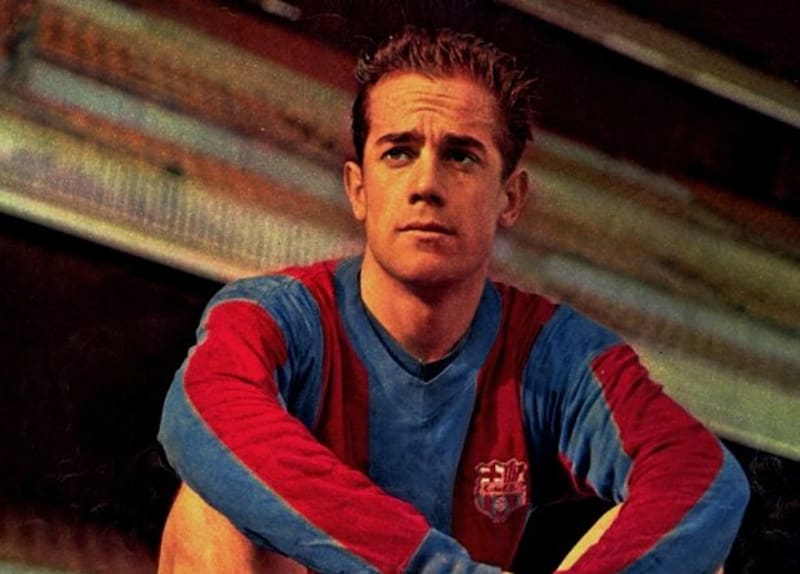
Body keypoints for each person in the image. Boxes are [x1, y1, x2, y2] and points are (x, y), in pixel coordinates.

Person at [157, 27, 749, 573]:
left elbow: (701, 476)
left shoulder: (555, 354)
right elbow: (200, 412)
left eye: (461, 156)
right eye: (398, 152)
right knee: (210, 505)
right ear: (359, 189)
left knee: (695, 557)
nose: (426, 185)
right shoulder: (278, 314)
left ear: (510, 198)